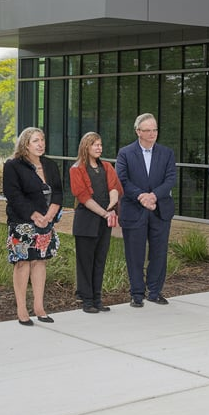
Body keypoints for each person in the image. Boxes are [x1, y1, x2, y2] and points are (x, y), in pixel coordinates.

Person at [115, 113, 178, 307]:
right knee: (135, 253)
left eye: (155, 130)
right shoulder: (125, 153)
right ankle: (137, 293)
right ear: (138, 132)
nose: (152, 134)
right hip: (134, 209)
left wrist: (153, 196)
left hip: (160, 210)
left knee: (159, 253)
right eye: (148, 130)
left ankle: (155, 291)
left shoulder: (167, 153)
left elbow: (170, 179)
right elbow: (122, 180)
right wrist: (142, 196)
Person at [3, 127, 63, 325]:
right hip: (23, 223)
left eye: (42, 140)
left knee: (40, 261)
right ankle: (21, 309)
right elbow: (13, 195)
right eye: (36, 141)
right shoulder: (13, 166)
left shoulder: (50, 165)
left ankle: (39, 306)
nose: (41, 144)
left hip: (46, 222)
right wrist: (34, 215)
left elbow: (59, 193)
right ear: (25, 144)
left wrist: (50, 214)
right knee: (23, 263)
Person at [70, 131, 122, 313]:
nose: (99, 148)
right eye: (95, 145)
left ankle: (98, 299)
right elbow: (83, 197)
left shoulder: (107, 167)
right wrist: (105, 213)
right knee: (86, 262)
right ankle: (87, 300)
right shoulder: (76, 169)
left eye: (100, 144)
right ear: (86, 147)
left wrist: (112, 204)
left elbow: (114, 187)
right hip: (86, 221)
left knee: (100, 260)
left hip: (103, 222)